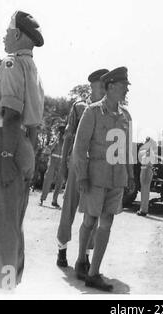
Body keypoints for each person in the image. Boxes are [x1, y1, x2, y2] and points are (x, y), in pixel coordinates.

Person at [0, 10, 44, 292]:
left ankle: (2, 288)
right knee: (13, 221)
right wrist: (26, 155)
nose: (4, 36)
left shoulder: (10, 63)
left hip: (4, 142)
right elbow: (33, 125)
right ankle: (11, 283)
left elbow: (10, 115)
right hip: (23, 143)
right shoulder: (33, 69)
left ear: (18, 35)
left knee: (0, 220)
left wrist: (7, 157)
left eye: (7, 31)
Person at [73, 67, 134, 291]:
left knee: (107, 222)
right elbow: (79, 148)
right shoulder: (92, 112)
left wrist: (131, 174)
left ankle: (93, 272)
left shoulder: (126, 115)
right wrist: (81, 177)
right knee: (90, 220)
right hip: (95, 176)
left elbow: (127, 148)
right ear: (110, 87)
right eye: (123, 86)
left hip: (116, 178)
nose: (126, 90)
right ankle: (81, 260)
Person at [56, 68, 109, 268]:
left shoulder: (108, 111)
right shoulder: (79, 107)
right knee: (69, 207)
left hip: (97, 168)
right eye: (101, 86)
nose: (104, 91)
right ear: (92, 87)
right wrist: (63, 164)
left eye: (106, 87)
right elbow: (68, 137)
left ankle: (85, 255)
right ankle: (61, 249)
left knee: (93, 212)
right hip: (78, 165)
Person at [39, 125, 65, 208]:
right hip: (53, 160)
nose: (62, 134)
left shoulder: (67, 141)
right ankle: (42, 199)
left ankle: (54, 200)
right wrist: (56, 141)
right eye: (61, 132)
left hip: (61, 162)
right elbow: (49, 149)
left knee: (60, 182)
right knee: (48, 180)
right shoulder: (55, 139)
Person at [137, 137, 157, 216]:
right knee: (145, 190)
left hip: (146, 169)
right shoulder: (151, 151)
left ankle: (143, 210)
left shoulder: (148, 150)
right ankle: (143, 209)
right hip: (147, 169)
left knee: (144, 191)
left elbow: (145, 160)